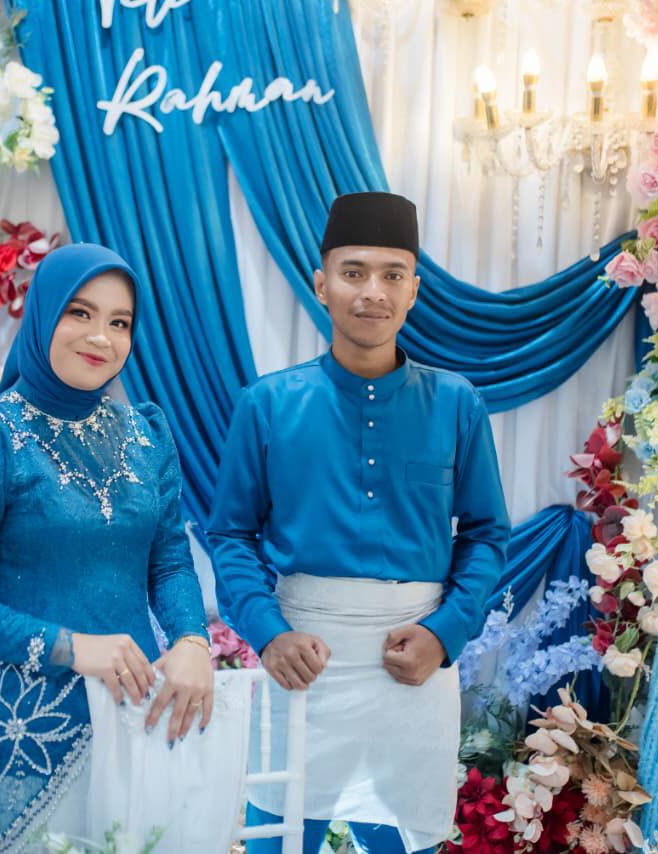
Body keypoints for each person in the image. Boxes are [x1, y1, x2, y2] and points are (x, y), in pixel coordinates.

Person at [208, 192, 511, 853]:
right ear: (322, 285)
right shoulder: (268, 404)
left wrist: (445, 633)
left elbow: (487, 534)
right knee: (277, 841)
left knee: (406, 844)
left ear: (413, 291)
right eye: (354, 272)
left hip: (415, 663)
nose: (373, 291)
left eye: (392, 274)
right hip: (301, 661)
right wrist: (268, 633)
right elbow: (229, 534)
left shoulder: (456, 403)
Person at [0, 243, 214, 852]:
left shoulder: (147, 435)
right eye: (80, 312)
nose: (101, 336)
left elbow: (168, 561)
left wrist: (192, 640)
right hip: (26, 732)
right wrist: (70, 647)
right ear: (44, 314)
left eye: (119, 322)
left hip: (134, 723)